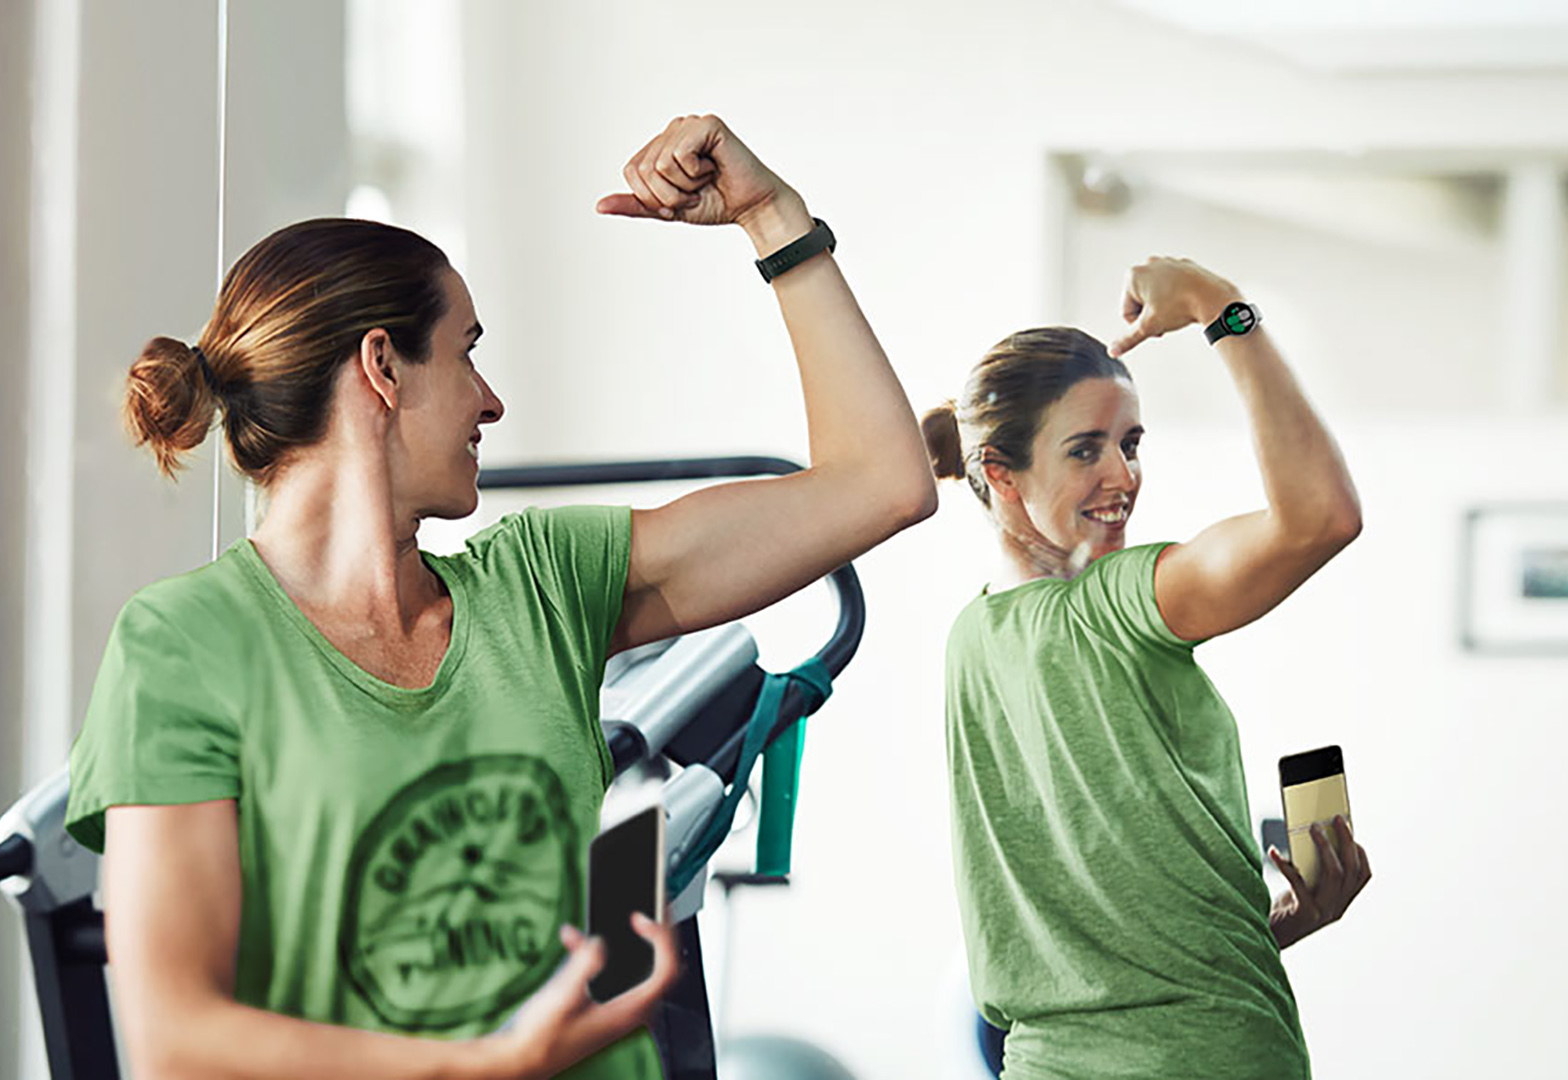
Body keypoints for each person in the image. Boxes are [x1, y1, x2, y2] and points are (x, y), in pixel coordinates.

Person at [66, 114, 936, 1080]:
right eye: (466, 352)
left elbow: (882, 483)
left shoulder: (545, 583)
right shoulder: (184, 645)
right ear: (383, 367)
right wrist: (485, 1067)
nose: (491, 400)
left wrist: (773, 218)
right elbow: (176, 1039)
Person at [922, 257, 1371, 1079]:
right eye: (1085, 450)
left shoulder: (970, 642)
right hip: (1211, 1056)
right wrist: (1219, 305)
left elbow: (1102, 954)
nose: (1123, 476)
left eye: (1130, 444)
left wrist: (1266, 926)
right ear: (1000, 473)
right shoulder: (1123, 602)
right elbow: (1322, 518)